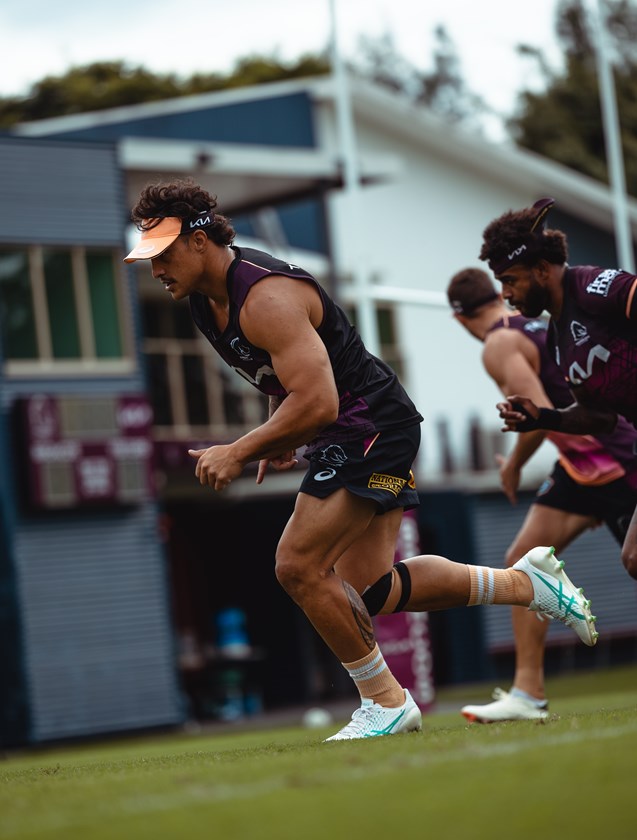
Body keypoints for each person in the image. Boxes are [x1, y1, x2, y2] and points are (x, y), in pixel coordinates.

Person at [124, 179, 597, 741]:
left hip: (368, 426)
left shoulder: (265, 297)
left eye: (164, 254)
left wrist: (244, 445)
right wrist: (279, 435)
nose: (155, 270)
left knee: (298, 565)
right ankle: (528, 585)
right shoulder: (205, 300)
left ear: (200, 240)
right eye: (149, 257)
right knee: (370, 589)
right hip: (356, 428)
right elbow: (285, 375)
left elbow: (319, 399)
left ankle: (386, 701)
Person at [447, 267, 637, 722]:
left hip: (610, 460)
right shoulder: (536, 324)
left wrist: (512, 465)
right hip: (579, 465)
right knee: (522, 562)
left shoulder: (498, 343)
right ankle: (527, 692)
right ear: (497, 294)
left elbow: (539, 411)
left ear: (458, 319)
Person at [478, 196, 637, 582]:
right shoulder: (556, 340)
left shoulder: (596, 287)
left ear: (542, 270)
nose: (505, 294)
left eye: (510, 280)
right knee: (633, 558)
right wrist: (541, 417)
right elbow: (598, 418)